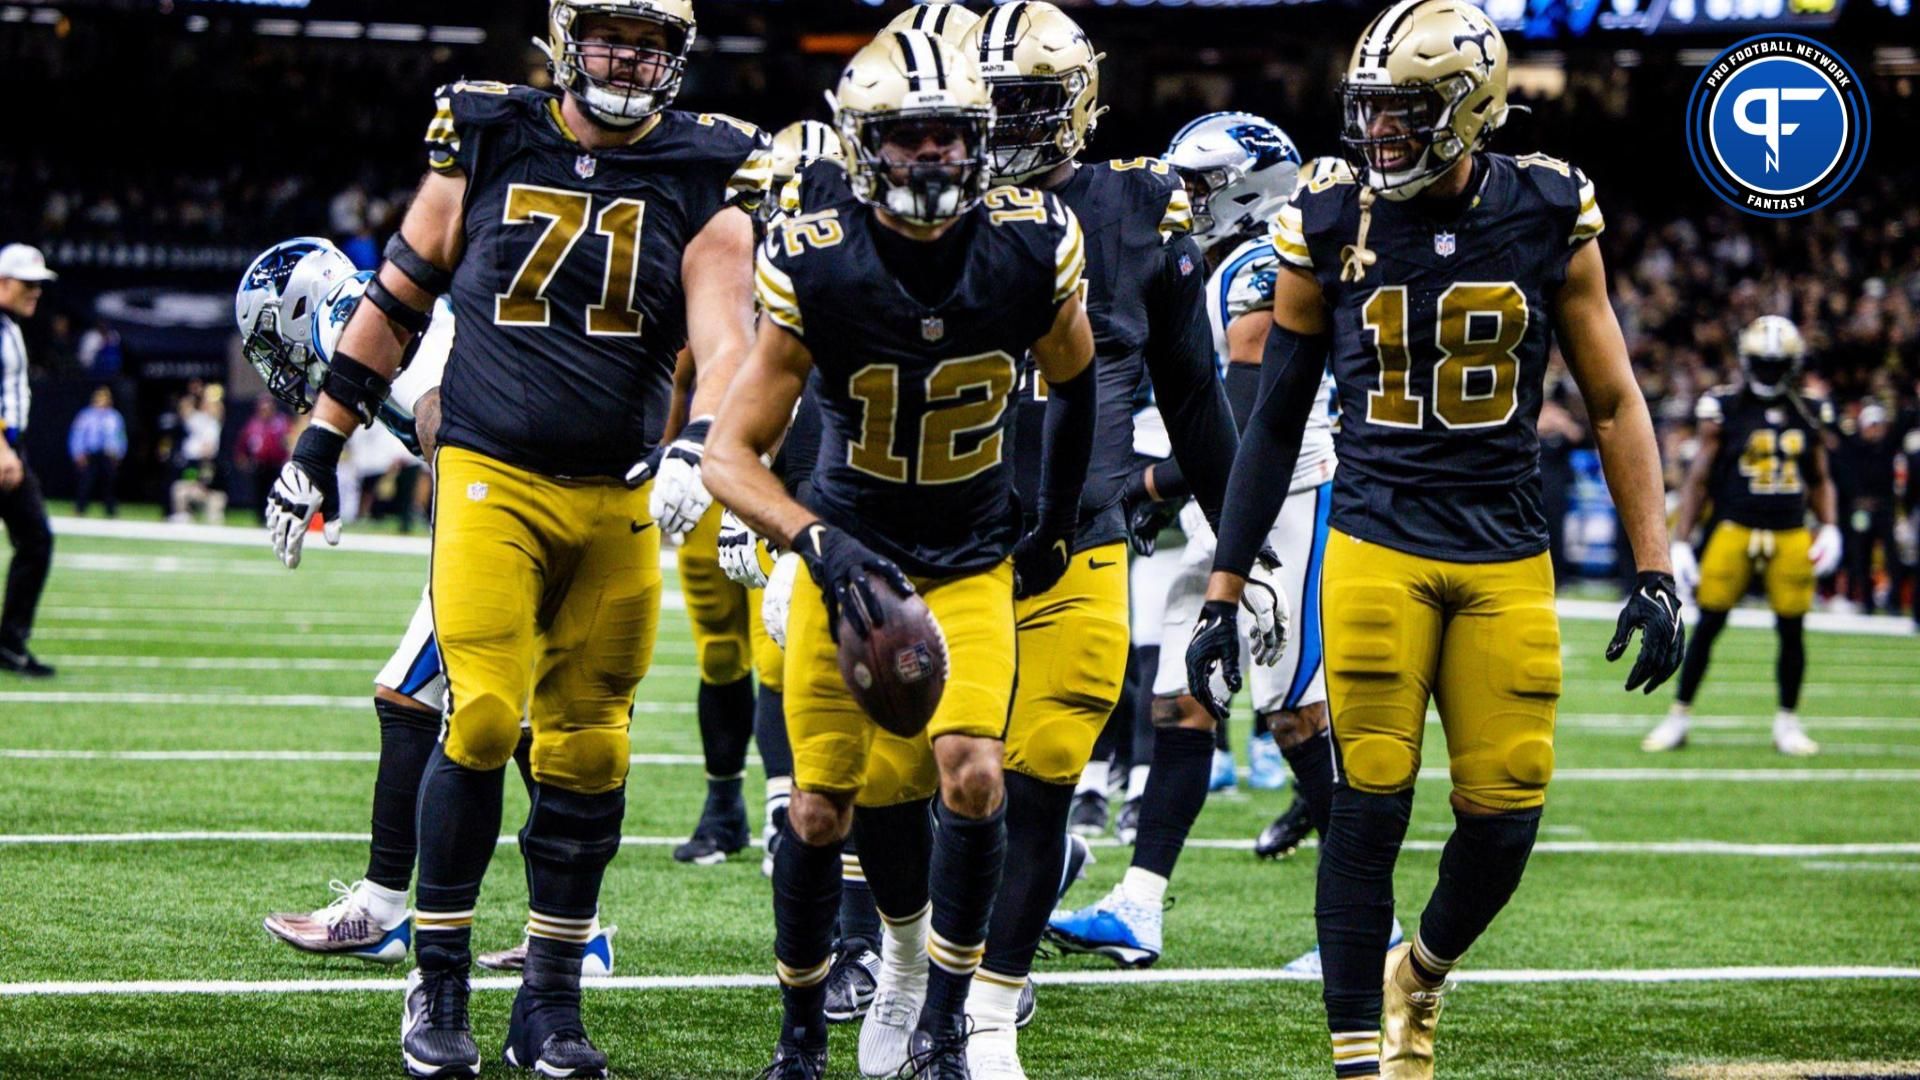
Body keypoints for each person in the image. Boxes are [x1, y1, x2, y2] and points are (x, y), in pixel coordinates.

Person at [259, 0, 766, 1073]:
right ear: (566, 38)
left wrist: (700, 444)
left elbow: (729, 338)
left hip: (621, 491)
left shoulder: (708, 167)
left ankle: (549, 1000)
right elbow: (397, 294)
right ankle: (435, 979)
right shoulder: (490, 128)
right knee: (483, 713)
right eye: (609, 36)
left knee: (591, 746)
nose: (626, 59)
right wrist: (317, 442)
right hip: (493, 475)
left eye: (650, 42)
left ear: (676, 58)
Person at [1183, 4, 1684, 1077]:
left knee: (1506, 815)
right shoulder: (1327, 215)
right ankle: (1361, 1057)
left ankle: (1427, 969)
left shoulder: (1550, 206)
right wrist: (1222, 588)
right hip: (1377, 539)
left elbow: (1613, 397)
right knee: (1368, 799)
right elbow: (1275, 415)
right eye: (1368, 114)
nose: (1378, 137)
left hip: (1504, 547)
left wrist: (1656, 565)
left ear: (1467, 112)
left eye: (1403, 115)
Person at [701, 28, 1097, 1078]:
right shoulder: (817, 260)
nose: (930, 155)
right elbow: (731, 459)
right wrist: (818, 547)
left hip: (967, 556)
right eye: (906, 136)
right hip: (856, 555)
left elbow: (1078, 381)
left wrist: (1051, 517)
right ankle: (798, 1032)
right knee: (821, 805)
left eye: (948, 134)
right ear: (863, 144)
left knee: (973, 779)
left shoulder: (1031, 242)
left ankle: (944, 1020)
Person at [954, 8, 1248, 1074]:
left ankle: (991, 1006)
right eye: (991, 105)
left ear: (1078, 103)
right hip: (942, 541)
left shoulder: (1134, 210)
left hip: (1081, 537)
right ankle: (901, 968)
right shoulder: (920, 196)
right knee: (940, 778)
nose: (1006, 127)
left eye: (1030, 103)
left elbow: (1197, 396)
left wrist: (1239, 556)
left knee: (1036, 779)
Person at [237, 236, 621, 978]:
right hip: (558, 501)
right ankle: (577, 933)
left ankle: (381, 911)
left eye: (269, 336)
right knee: (520, 723)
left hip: (513, 516)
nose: (275, 359)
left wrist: (471, 532)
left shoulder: (341, 314)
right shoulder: (386, 308)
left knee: (407, 696)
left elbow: (441, 410)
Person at [1644, 316, 1840, 757]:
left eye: (1777, 362)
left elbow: (1820, 477)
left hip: (1790, 530)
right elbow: (1699, 478)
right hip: (1734, 527)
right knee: (1708, 626)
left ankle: (1787, 722)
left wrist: (1830, 526)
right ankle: (1678, 716)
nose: (1770, 370)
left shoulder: (1810, 409)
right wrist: (1682, 538)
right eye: (1763, 361)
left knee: (1792, 630)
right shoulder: (1724, 408)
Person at [0, 242, 57, 678]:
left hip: (11, 447)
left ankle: (10, 643)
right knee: (35, 539)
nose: (35, 292)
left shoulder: (11, 325)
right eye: (27, 283)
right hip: (2, 447)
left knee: (36, 540)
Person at [68, 386, 126, 517]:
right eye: (99, 397)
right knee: (86, 482)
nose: (101, 400)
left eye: (104, 398)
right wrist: (77, 452)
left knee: (109, 483)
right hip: (90, 453)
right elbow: (77, 434)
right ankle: (80, 508)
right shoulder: (86, 415)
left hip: (108, 454)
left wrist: (119, 453)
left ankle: (111, 510)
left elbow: (120, 436)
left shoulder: (114, 416)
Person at [234, 395, 291, 520]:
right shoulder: (253, 425)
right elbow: (243, 444)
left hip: (276, 464)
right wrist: (242, 459)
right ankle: (260, 518)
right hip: (259, 465)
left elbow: (288, 442)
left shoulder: (281, 424)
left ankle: (275, 516)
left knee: (276, 492)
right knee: (259, 492)